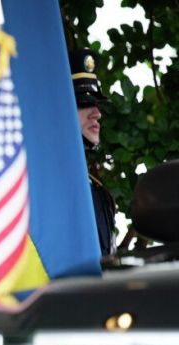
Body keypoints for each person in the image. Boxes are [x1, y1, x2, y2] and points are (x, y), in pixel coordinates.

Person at [69, 48, 117, 256]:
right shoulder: (39, 184)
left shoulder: (98, 192)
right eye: (84, 104)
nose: (97, 114)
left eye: (96, 105)